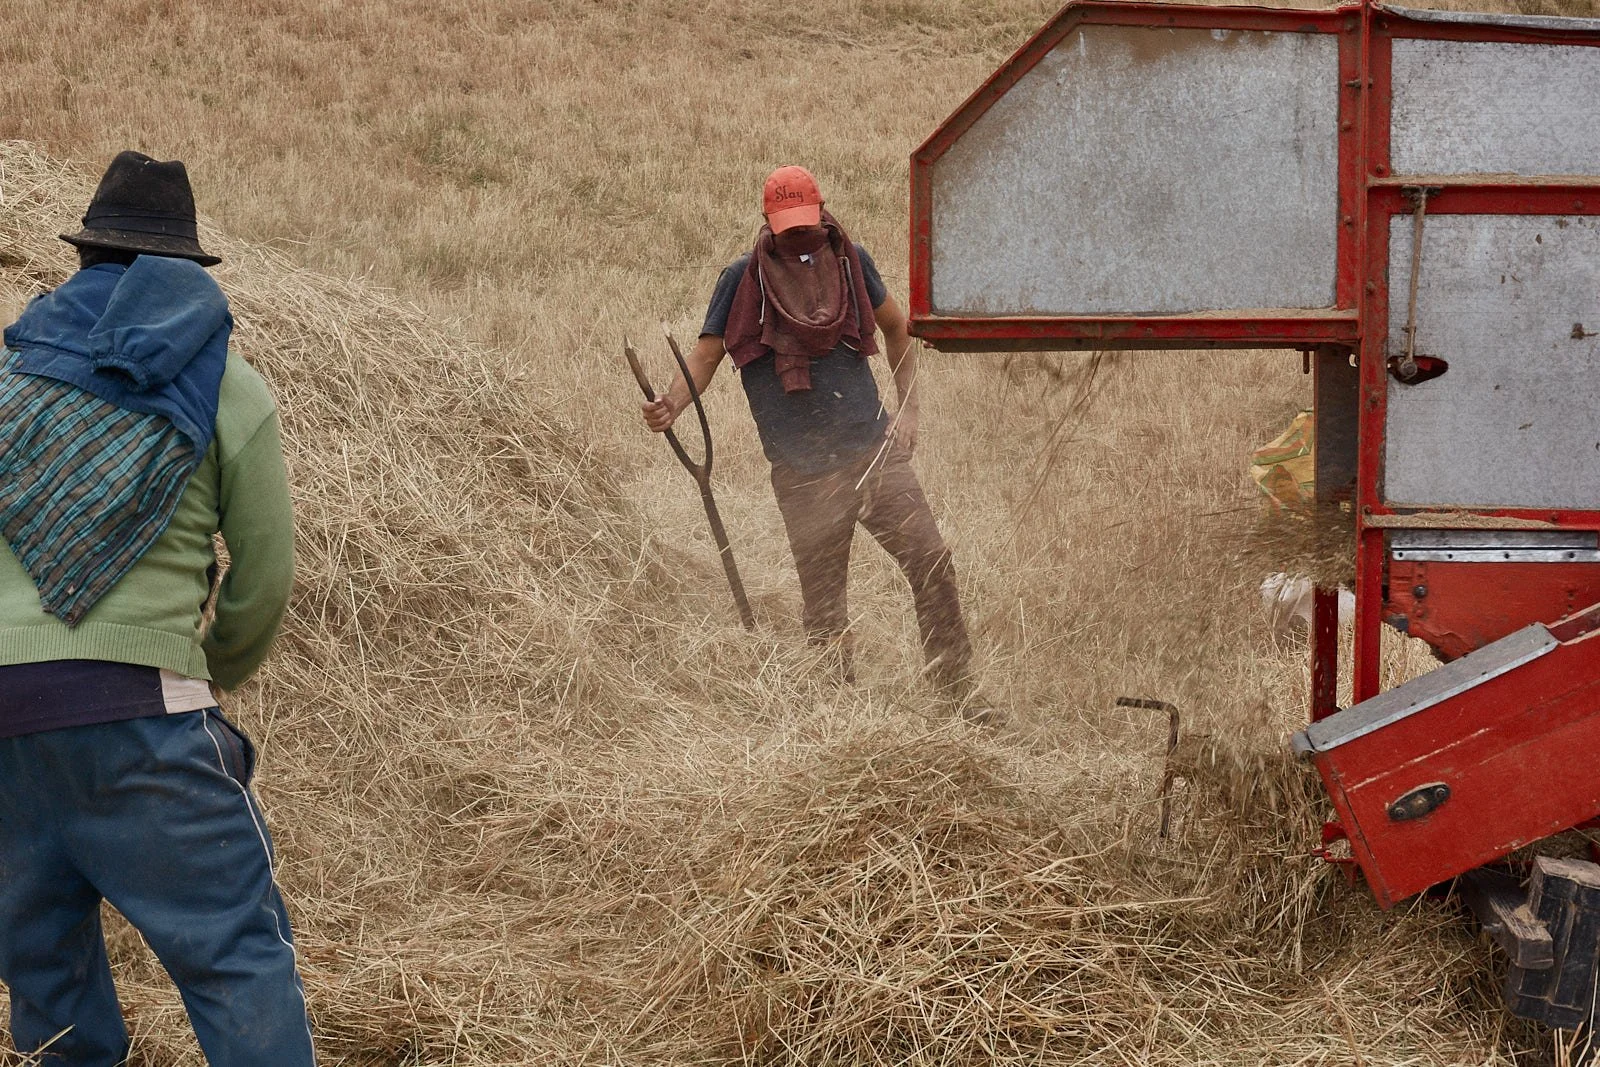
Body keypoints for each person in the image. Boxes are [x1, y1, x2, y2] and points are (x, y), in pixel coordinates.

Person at [0, 152, 314, 1065]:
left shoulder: (10, 383)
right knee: (237, 958)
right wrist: (210, 670)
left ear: (83, 261)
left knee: (50, 987)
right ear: (183, 277)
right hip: (143, 717)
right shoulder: (225, 386)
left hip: (4, 728)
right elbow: (264, 579)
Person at [643, 165, 979, 707]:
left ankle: (957, 693)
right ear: (768, 220)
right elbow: (705, 357)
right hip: (803, 473)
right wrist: (671, 404)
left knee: (932, 561)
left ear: (821, 212)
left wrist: (908, 412)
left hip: (872, 454)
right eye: (788, 225)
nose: (799, 232)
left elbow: (898, 329)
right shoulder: (741, 281)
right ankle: (837, 713)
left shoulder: (852, 264)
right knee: (824, 609)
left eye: (806, 221)